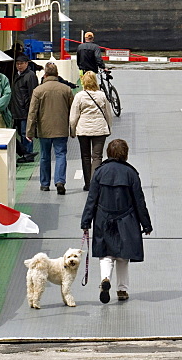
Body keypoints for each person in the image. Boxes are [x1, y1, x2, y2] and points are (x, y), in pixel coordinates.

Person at [80, 138, 153, 304]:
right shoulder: (131, 173)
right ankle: (122, 290)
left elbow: (92, 199)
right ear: (125, 154)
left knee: (106, 255)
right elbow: (139, 201)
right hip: (126, 219)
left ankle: (105, 279)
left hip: (103, 219)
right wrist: (146, 224)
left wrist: (86, 222)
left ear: (109, 152)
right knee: (122, 257)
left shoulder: (99, 172)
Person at [26, 62, 74, 194]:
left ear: (45, 74)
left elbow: (32, 113)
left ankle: (45, 184)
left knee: (44, 156)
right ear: (57, 74)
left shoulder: (38, 90)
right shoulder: (66, 89)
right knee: (61, 155)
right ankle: (60, 181)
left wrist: (29, 131)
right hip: (61, 128)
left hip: (44, 129)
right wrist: (73, 129)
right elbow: (73, 111)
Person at [70, 71, 113, 191]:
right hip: (99, 129)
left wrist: (72, 131)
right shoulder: (102, 95)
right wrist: (108, 127)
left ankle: (88, 184)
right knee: (97, 157)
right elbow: (108, 114)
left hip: (83, 130)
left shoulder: (79, 96)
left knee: (85, 156)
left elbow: (74, 116)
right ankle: (95, 182)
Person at [11, 55, 39, 164]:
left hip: (24, 110)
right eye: (17, 64)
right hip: (17, 109)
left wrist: (30, 110)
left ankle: (28, 154)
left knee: (25, 133)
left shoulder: (30, 76)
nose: (19, 66)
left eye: (21, 64)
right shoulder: (17, 75)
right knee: (21, 133)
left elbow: (32, 94)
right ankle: (25, 153)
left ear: (26, 64)